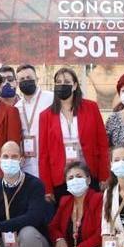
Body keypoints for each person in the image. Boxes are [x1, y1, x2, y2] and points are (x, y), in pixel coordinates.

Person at [38, 67, 109, 199]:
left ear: (75, 85)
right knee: (65, 217)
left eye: (66, 81)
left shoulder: (91, 108)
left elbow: (102, 144)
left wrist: (104, 175)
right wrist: (47, 188)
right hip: (60, 179)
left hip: (88, 175)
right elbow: (43, 155)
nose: (61, 85)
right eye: (58, 82)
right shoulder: (45, 116)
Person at [48, 161, 104, 247]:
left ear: (88, 179)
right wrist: (59, 239)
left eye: (79, 176)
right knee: (48, 243)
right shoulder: (65, 201)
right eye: (70, 178)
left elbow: (101, 233)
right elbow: (52, 227)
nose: (75, 180)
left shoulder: (98, 199)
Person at [14, 64, 53, 178]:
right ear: (17, 83)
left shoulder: (51, 99)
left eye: (29, 78)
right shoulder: (17, 107)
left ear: (37, 79)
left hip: (48, 161)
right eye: (22, 79)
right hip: (26, 166)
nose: (26, 81)